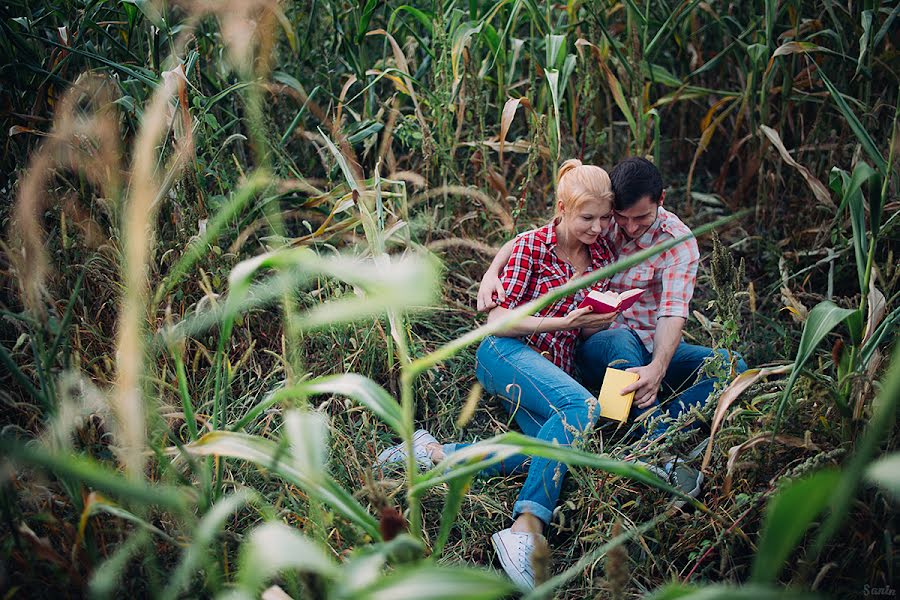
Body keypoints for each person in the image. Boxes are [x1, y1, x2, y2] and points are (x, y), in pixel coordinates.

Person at [377, 160, 620, 589]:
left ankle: (433, 453)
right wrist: (563, 324)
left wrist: (594, 322)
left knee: (550, 448)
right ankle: (525, 529)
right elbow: (498, 322)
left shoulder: (600, 252)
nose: (599, 227)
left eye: (605, 217)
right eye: (588, 218)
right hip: (505, 353)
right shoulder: (533, 248)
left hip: (550, 372)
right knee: (581, 406)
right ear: (561, 209)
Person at [478, 156, 747, 497]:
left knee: (731, 366)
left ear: (661, 200)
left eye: (641, 219)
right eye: (621, 218)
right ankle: (659, 446)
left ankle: (632, 422)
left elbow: (673, 311)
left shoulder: (676, 241)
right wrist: (492, 271)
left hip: (650, 346)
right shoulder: (600, 225)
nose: (629, 228)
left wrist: (658, 368)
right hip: (601, 345)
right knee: (621, 338)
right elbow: (543, 235)